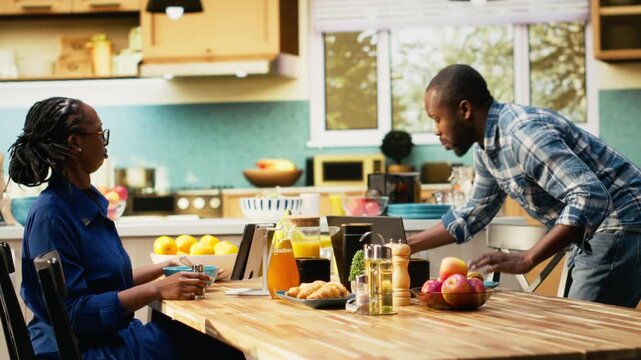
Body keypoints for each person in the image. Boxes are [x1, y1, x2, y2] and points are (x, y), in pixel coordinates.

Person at [8, 97, 244, 359]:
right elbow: (74, 313)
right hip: (82, 351)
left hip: (106, 339)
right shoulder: (51, 215)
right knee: (222, 348)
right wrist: (156, 289)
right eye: (99, 133)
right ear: (75, 143)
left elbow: (103, 283)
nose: (104, 142)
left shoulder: (84, 202)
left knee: (191, 335)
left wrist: (166, 267)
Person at [409, 64, 641, 308]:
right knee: (578, 327)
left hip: (623, 219)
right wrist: (407, 246)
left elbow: (589, 194)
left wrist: (529, 259)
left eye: (437, 119)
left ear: (464, 109)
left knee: (585, 330)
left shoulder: (520, 133)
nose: (436, 130)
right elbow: (473, 213)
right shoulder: (486, 150)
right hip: (600, 227)